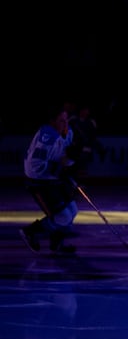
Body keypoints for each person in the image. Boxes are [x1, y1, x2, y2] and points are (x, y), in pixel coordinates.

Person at [20, 105, 80, 254]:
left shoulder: (68, 133)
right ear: (52, 121)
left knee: (73, 210)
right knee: (63, 216)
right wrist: (59, 170)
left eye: (66, 120)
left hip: (54, 178)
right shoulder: (47, 136)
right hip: (39, 180)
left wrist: (71, 161)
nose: (65, 124)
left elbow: (64, 158)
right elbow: (35, 164)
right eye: (61, 121)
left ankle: (57, 242)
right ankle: (31, 231)